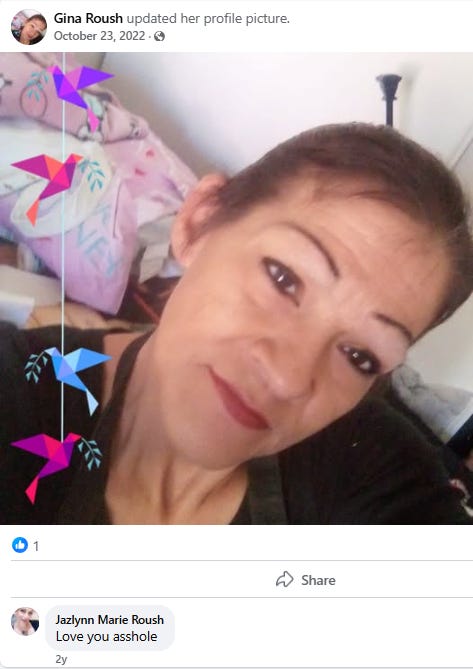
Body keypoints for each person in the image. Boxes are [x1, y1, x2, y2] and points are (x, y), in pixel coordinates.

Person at [1, 122, 473, 524]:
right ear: (199, 223)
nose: (288, 378)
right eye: (284, 278)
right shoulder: (20, 394)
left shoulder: (373, 467)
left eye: (360, 356)